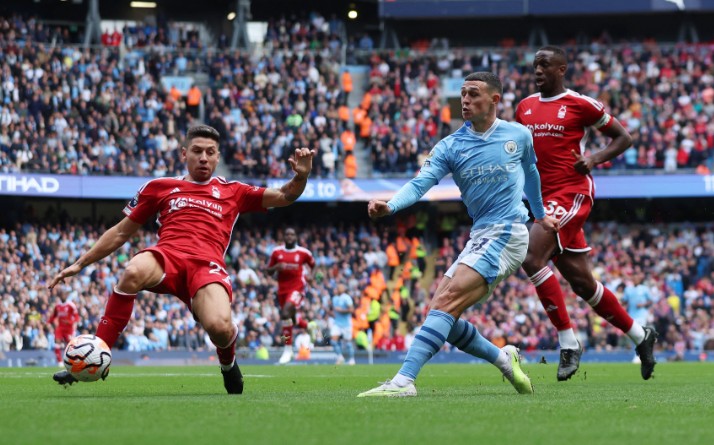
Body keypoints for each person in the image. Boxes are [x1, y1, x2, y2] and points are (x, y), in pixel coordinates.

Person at [48, 125, 316, 394]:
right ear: (184, 153)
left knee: (220, 328)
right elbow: (120, 231)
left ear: (218, 157)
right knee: (132, 271)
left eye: (210, 152)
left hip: (207, 267)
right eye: (197, 151)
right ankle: (95, 355)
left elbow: (284, 195)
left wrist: (301, 178)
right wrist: (80, 263)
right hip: (168, 258)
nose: (204, 157)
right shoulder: (159, 187)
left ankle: (228, 364)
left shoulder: (235, 191)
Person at [357, 72, 559, 397]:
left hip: (508, 232)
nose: (465, 100)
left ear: (494, 99)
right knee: (441, 314)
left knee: (446, 303)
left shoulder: (518, 135)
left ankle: (403, 382)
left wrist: (541, 215)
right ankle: (504, 360)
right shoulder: (450, 146)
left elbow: (531, 174)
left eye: (473, 94)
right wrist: (391, 206)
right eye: (463, 94)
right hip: (480, 235)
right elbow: (420, 183)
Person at [515, 46, 657, 381]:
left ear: (561, 69)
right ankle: (641, 335)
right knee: (582, 283)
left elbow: (624, 138)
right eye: (535, 65)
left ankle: (568, 342)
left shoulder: (581, 104)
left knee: (532, 256)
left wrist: (593, 159)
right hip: (541, 198)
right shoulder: (524, 108)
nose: (538, 70)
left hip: (572, 193)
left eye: (545, 65)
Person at [267, 227, 316, 364]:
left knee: (285, 313)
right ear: (284, 237)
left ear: (296, 237)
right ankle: (307, 326)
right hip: (282, 289)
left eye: (292, 234)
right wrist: (277, 267)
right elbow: (268, 271)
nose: (289, 236)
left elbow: (313, 264)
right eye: (287, 234)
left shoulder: (303, 253)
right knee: (290, 319)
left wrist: (311, 276)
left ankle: (287, 350)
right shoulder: (277, 252)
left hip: (298, 288)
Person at [48, 289, 80, 367]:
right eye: (62, 295)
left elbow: (76, 317)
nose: (63, 296)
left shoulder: (71, 305)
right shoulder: (57, 306)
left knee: (69, 346)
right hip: (60, 328)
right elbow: (53, 316)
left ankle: (70, 360)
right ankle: (59, 361)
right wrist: (48, 322)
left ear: (66, 296)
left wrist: (73, 324)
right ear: (60, 296)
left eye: (65, 295)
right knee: (57, 343)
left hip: (69, 329)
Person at [330, 283, 356, 365]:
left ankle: (352, 359)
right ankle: (340, 357)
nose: (337, 289)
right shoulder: (334, 299)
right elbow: (335, 312)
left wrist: (342, 310)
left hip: (346, 324)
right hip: (337, 323)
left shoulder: (346, 298)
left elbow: (351, 310)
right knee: (333, 341)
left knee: (348, 343)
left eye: (339, 288)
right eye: (337, 288)